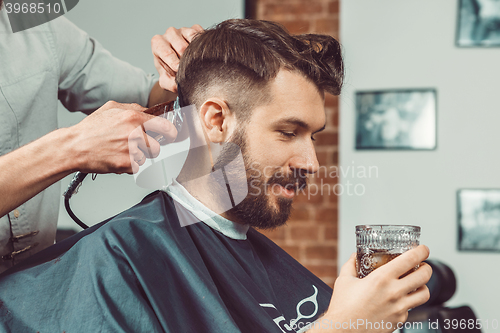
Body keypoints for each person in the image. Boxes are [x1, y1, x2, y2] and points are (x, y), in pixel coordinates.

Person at [0, 19, 432, 333]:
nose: (312, 164)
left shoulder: (40, 30)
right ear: (216, 120)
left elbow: (162, 95)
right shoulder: (120, 261)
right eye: (288, 131)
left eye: (313, 136)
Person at [0, 0, 202, 272]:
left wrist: (186, 69)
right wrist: (71, 149)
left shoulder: (36, 25)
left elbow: (148, 98)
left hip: (35, 282)